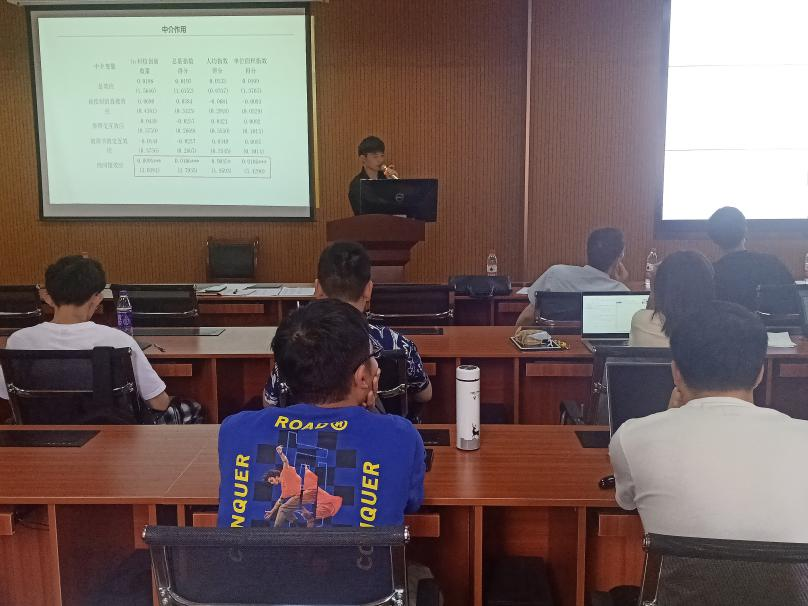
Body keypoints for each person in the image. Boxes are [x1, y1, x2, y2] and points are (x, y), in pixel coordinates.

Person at [218, 299, 425, 528]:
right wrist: (372, 416)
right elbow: (409, 502)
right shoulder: (400, 436)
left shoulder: (236, 431)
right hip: (357, 554)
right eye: (372, 355)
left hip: (257, 554)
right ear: (362, 377)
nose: (376, 362)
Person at [610, 301, 808, 541]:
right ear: (760, 373)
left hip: (677, 569)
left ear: (676, 372)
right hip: (783, 569)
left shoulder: (632, 437)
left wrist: (669, 416)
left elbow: (627, 502)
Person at [0, 255, 201, 424]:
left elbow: (8, 397)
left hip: (42, 437)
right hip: (113, 439)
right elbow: (159, 403)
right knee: (192, 408)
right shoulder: (117, 340)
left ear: (47, 297)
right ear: (97, 299)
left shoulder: (19, 340)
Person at [263, 241, 432, 408]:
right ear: (368, 289)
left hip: (304, 426)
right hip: (383, 424)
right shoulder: (398, 343)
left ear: (318, 289)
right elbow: (425, 394)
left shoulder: (297, 345)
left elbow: (270, 403)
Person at [517, 227, 629, 326]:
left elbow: (526, 318)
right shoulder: (621, 292)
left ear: (588, 251)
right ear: (619, 258)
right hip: (595, 345)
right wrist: (618, 283)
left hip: (555, 342)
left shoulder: (556, 273)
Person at [707, 206, 796, 311]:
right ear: (745, 230)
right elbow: (794, 301)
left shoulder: (710, 275)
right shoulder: (773, 264)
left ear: (713, 238)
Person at [628, 250, 715, 347]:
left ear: (661, 286)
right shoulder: (716, 328)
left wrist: (654, 291)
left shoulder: (641, 320)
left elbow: (651, 311)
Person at [348, 135, 400, 215]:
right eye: (375, 156)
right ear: (363, 158)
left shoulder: (386, 178)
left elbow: (400, 204)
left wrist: (393, 184)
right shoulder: (357, 184)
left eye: (382, 156)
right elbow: (363, 212)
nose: (380, 160)